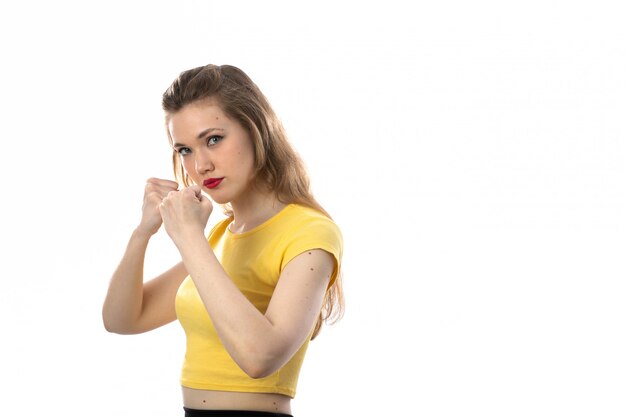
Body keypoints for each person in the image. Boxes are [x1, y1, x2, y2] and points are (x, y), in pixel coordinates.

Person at [102, 64, 344, 417]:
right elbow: (122, 319)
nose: (200, 164)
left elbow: (260, 358)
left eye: (213, 139)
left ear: (255, 130)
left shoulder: (310, 232)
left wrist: (188, 238)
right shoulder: (219, 236)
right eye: (184, 150)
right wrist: (143, 233)